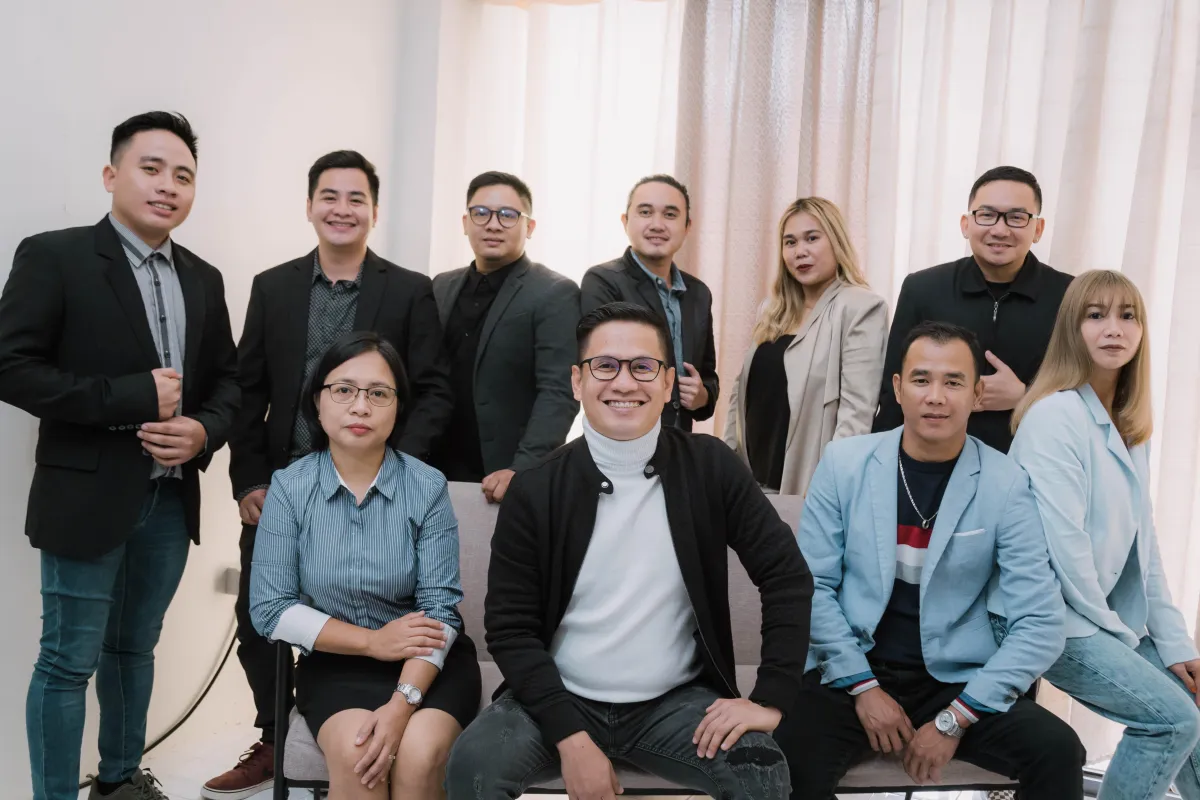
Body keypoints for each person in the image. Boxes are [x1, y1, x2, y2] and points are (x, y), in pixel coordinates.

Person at [444, 302, 811, 800]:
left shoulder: (710, 467)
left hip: (675, 702)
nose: (623, 383)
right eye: (605, 366)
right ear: (578, 381)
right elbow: (510, 629)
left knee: (761, 772)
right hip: (558, 699)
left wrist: (771, 698)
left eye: (643, 367)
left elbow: (786, 574)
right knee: (473, 769)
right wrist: (572, 740)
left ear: (666, 384)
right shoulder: (535, 488)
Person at [0, 112, 239, 800]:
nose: (168, 186)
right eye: (151, 168)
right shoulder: (55, 256)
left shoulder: (204, 277)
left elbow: (228, 381)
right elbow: (12, 368)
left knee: (135, 650)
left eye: (184, 175)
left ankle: (119, 781)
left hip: (168, 501)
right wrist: (128, 397)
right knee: (66, 660)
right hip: (85, 497)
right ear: (112, 176)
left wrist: (202, 430)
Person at [206, 150, 454, 799]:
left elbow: (432, 389)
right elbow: (246, 387)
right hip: (287, 486)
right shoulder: (274, 285)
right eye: (329, 196)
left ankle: (369, 712)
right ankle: (275, 734)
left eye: (355, 198)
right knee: (261, 619)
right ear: (310, 205)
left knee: (379, 605)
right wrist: (250, 481)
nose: (342, 209)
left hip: (376, 480)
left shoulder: (407, 288)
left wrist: (399, 475)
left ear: (374, 210)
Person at [775, 320, 1085, 798]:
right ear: (898, 388)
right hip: (855, 667)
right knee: (787, 757)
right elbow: (811, 587)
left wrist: (956, 718)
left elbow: (1041, 621)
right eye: (921, 379)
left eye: (953, 381)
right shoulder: (844, 463)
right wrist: (862, 687)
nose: (935, 396)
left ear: (978, 393)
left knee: (1059, 750)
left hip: (955, 679)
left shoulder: (1006, 482)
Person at [249, 331, 481, 800]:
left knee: (417, 758)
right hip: (338, 665)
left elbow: (440, 609)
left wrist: (401, 705)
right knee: (362, 761)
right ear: (318, 403)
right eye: (344, 390)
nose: (360, 406)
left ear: (398, 407)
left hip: (428, 666)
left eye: (378, 393)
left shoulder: (427, 486)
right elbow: (271, 610)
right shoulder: (290, 489)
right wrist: (373, 642)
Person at [1009, 270, 1200, 799]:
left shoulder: (1127, 424)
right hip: (1045, 617)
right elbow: (1066, 552)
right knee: (1172, 720)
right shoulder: (1054, 416)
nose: (1112, 328)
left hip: (1098, 616)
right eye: (1095, 315)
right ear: (1074, 327)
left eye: (1127, 315)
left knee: (1194, 705)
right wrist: (1124, 638)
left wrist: (1175, 644)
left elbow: (1147, 547)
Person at [872, 166, 1073, 453]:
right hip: (933, 463)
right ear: (966, 224)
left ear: (1037, 229)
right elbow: (894, 393)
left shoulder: (1069, 296)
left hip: (1034, 462)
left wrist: (1025, 396)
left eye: (1016, 217)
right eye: (987, 215)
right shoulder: (923, 288)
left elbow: (1088, 398)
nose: (1000, 229)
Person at [428, 171, 579, 504]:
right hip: (432, 468)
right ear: (466, 222)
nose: (492, 224)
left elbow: (558, 391)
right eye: (481, 213)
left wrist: (523, 468)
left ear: (530, 226)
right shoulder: (440, 286)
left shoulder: (554, 292)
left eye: (508, 215)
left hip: (501, 474)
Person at [723, 197, 887, 495]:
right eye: (790, 242)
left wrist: (829, 489)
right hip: (750, 482)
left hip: (809, 486)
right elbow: (740, 393)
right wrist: (726, 467)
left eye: (812, 238)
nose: (800, 252)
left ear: (836, 241)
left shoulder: (861, 307)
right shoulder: (772, 310)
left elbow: (857, 414)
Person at [580, 175, 718, 431]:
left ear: (687, 226)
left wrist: (703, 395)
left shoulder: (698, 293)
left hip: (678, 444)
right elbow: (601, 367)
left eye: (670, 215)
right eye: (645, 212)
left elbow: (708, 374)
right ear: (625, 221)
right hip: (621, 436)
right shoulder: (602, 281)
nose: (657, 224)